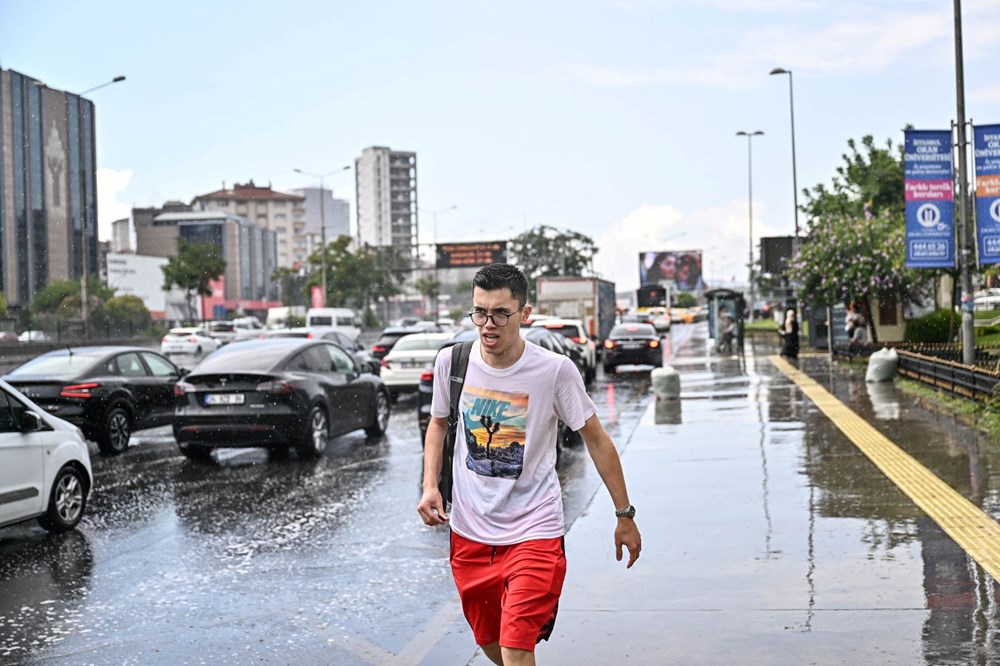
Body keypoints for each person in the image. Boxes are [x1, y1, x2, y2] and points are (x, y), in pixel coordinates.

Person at [417, 263, 642, 666]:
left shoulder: (554, 371)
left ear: (525, 314)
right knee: (489, 642)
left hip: (534, 530)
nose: (489, 324)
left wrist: (624, 514)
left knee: (517, 646)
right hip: (470, 533)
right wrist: (430, 486)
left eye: (501, 313)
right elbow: (437, 424)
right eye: (480, 312)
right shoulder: (452, 363)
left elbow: (596, 439)